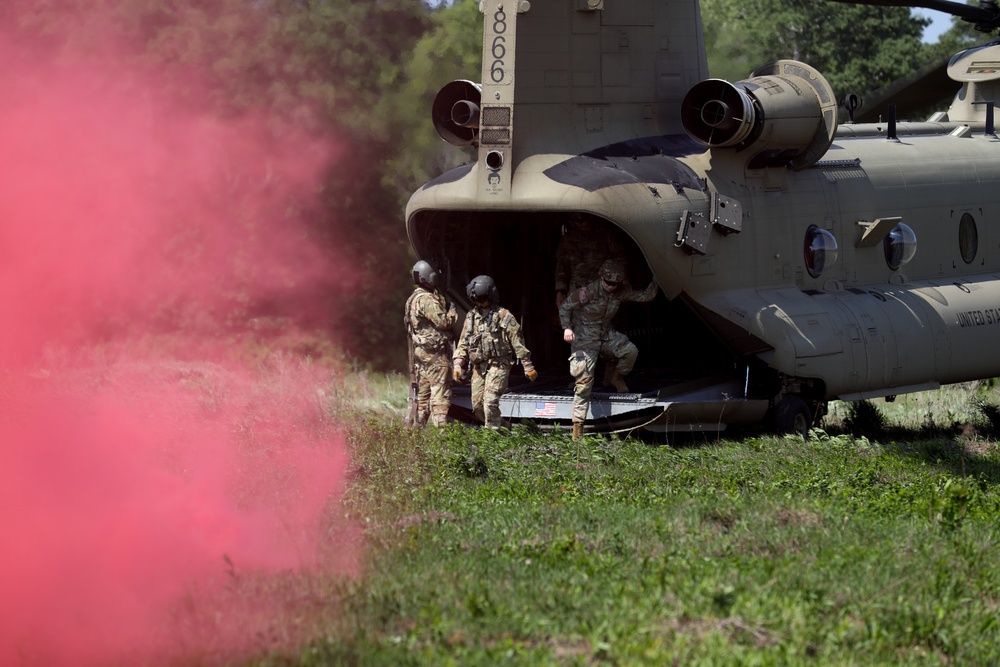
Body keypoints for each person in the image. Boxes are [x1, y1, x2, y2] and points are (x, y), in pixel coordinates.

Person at [559, 259, 658, 440]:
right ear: (602, 278)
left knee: (630, 351)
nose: (611, 286)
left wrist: (658, 277)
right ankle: (578, 428)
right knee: (583, 386)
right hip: (584, 340)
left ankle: (617, 377)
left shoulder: (620, 292)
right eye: (608, 282)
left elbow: (646, 296)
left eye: (615, 284)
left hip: (605, 336)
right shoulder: (587, 292)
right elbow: (565, 307)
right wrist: (567, 327)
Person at [453, 275, 537, 428]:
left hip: (499, 365)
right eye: (476, 300)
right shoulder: (471, 317)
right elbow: (463, 343)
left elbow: (517, 341)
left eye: (482, 299)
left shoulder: (503, 316)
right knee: (478, 407)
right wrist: (458, 364)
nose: (480, 303)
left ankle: (493, 440)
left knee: (490, 403)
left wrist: (527, 365)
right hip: (479, 367)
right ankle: (505, 428)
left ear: (491, 296)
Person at [404, 260, 457, 428]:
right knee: (440, 398)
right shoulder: (427, 299)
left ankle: (415, 436)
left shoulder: (412, 299)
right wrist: (453, 310)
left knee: (422, 399)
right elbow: (444, 322)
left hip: (422, 356)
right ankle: (443, 438)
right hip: (436, 357)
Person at [554, 213, 626, 310]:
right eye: (576, 220)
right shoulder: (569, 238)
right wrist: (561, 290)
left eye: (583, 219)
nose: (580, 223)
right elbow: (562, 266)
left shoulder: (606, 235)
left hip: (601, 288)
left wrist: (623, 284)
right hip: (577, 289)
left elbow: (620, 260)